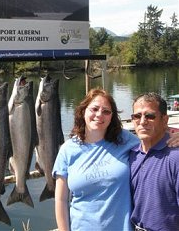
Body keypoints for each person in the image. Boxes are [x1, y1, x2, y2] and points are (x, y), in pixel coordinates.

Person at [52, 88, 140, 231]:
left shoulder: (125, 140)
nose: (99, 115)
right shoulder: (67, 150)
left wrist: (174, 136)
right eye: (94, 109)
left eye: (106, 111)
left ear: (112, 117)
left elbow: (154, 140)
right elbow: (61, 200)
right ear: (83, 111)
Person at [130, 92, 179, 231]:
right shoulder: (131, 155)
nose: (142, 121)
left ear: (165, 120)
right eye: (137, 116)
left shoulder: (175, 158)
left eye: (150, 116)